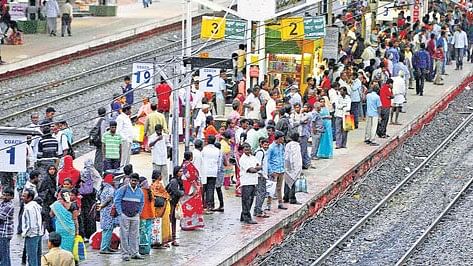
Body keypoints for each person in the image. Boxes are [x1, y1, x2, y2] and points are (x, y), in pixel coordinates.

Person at [114, 173, 145, 261]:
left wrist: (139, 212)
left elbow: (142, 202)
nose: (134, 182)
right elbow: (117, 200)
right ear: (129, 180)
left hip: (135, 216)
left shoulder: (140, 191)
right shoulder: (123, 189)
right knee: (124, 235)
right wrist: (120, 213)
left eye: (135, 181)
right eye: (132, 180)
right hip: (124, 215)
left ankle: (135, 253)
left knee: (135, 235)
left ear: (138, 182)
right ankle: (125, 254)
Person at [50, 189, 79, 255]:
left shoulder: (55, 204)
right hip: (70, 229)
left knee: (60, 246)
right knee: (69, 247)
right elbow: (75, 219)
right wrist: (77, 231)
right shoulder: (73, 205)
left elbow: (51, 214)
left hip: (59, 228)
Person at [180, 151, 205, 230]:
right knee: (193, 205)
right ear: (191, 157)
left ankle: (186, 223)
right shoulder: (189, 166)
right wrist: (196, 187)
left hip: (186, 187)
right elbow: (191, 177)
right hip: (191, 187)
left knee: (185, 205)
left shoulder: (183, 165)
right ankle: (191, 224)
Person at [238, 143, 261, 224]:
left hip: (253, 181)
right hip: (246, 181)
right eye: (245, 148)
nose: (247, 149)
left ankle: (243, 215)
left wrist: (256, 168)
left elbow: (259, 166)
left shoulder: (253, 157)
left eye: (248, 147)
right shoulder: (242, 159)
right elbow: (252, 170)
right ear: (243, 149)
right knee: (246, 200)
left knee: (250, 199)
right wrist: (256, 168)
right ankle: (247, 217)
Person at [79, 159, 101, 240]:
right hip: (91, 197)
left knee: (84, 216)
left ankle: (85, 234)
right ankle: (91, 234)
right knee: (91, 215)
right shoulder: (94, 172)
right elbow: (98, 182)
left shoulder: (82, 171)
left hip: (83, 197)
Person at [150, 170, 172, 248]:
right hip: (162, 207)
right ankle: (162, 241)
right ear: (159, 176)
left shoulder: (151, 185)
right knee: (163, 224)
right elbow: (164, 194)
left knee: (155, 225)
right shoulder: (159, 185)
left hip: (155, 208)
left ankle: (155, 241)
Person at [22, 189, 43, 266]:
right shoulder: (36, 205)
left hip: (32, 235)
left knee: (32, 258)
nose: (22, 197)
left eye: (24, 196)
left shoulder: (28, 208)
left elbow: (31, 225)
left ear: (29, 198)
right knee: (37, 256)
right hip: (38, 233)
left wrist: (25, 234)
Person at [98, 174, 118, 254]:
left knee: (107, 230)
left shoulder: (104, 188)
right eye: (113, 179)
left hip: (105, 212)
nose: (114, 181)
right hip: (108, 212)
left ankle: (107, 246)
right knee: (108, 230)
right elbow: (109, 199)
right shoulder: (109, 189)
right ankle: (104, 248)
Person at [267, 131, 287, 210]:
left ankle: (280, 203)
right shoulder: (271, 148)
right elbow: (268, 160)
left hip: (281, 169)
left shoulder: (281, 146)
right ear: (278, 138)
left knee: (279, 188)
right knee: (271, 189)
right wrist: (271, 171)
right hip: (274, 170)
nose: (283, 139)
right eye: (282, 138)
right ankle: (268, 204)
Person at [201, 135, 220, 211]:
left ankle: (203, 204)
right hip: (213, 171)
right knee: (211, 188)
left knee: (204, 188)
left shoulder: (204, 150)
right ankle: (210, 205)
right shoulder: (217, 150)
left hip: (205, 171)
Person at [166, 167, 184, 246]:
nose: (182, 172)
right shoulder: (174, 181)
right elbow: (175, 192)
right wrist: (182, 193)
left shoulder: (178, 181)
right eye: (180, 171)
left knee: (173, 221)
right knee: (170, 221)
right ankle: (168, 239)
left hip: (174, 203)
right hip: (171, 203)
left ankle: (173, 238)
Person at [138, 176, 156, 255]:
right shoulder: (150, 191)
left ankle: (142, 249)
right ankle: (147, 249)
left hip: (142, 216)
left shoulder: (139, 191)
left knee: (142, 232)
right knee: (148, 233)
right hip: (150, 215)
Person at [37, 165, 57, 233]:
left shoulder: (56, 178)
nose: (52, 171)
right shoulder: (46, 179)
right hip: (47, 201)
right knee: (48, 217)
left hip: (54, 201)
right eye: (50, 169)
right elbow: (41, 190)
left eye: (53, 169)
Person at [284, 132, 302, 205]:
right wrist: (297, 168)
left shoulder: (288, 144)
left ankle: (286, 197)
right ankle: (292, 198)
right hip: (293, 166)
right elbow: (295, 158)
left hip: (287, 165)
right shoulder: (296, 146)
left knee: (287, 182)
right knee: (293, 182)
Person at [253, 138, 270, 218]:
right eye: (265, 144)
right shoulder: (260, 153)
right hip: (260, 176)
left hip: (263, 175)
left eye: (267, 144)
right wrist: (262, 174)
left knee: (262, 193)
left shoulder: (264, 152)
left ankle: (257, 209)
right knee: (261, 193)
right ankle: (258, 210)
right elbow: (258, 165)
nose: (266, 146)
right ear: (261, 144)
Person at [0, 188, 14, 266]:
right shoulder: (2, 203)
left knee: (4, 255)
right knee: (4, 254)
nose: (5, 197)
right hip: (1, 233)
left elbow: (1, 217)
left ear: (12, 197)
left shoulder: (10, 206)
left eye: (7, 196)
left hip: (4, 234)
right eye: (4, 195)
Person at [93, 107, 109, 174]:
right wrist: (104, 142)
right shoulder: (103, 121)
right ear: (105, 113)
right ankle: (99, 169)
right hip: (100, 141)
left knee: (97, 154)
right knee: (101, 155)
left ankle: (96, 167)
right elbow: (102, 132)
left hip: (95, 140)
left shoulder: (96, 120)